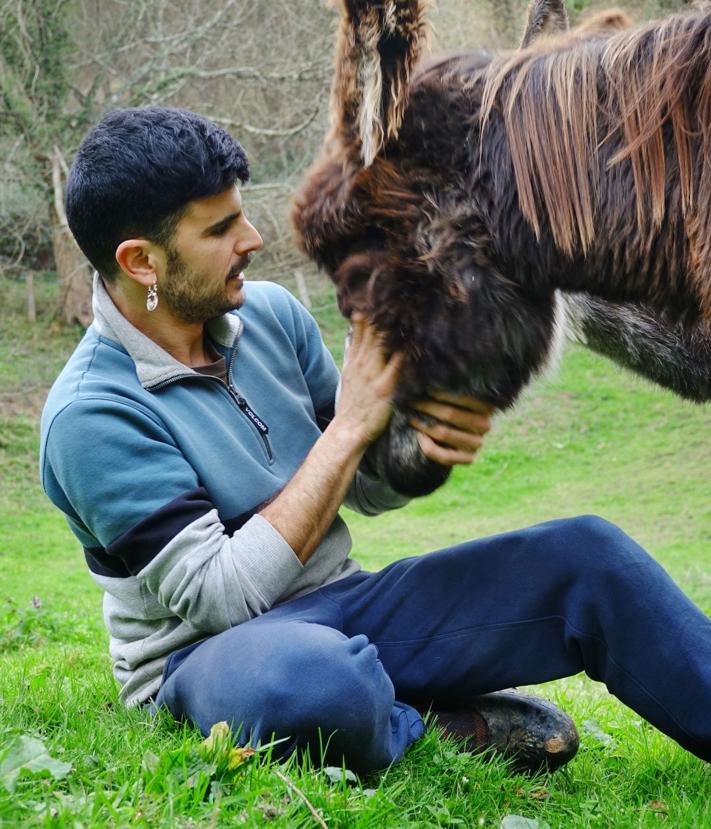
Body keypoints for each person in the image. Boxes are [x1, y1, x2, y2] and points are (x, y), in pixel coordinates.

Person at [40, 107, 711, 775]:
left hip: (348, 608)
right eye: (219, 228)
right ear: (140, 261)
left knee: (587, 556)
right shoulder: (92, 414)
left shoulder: (270, 315)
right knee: (315, 681)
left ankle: (399, 696)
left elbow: (362, 485)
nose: (252, 238)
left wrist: (414, 439)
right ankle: (441, 725)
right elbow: (221, 595)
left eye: (240, 213)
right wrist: (351, 426)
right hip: (212, 660)